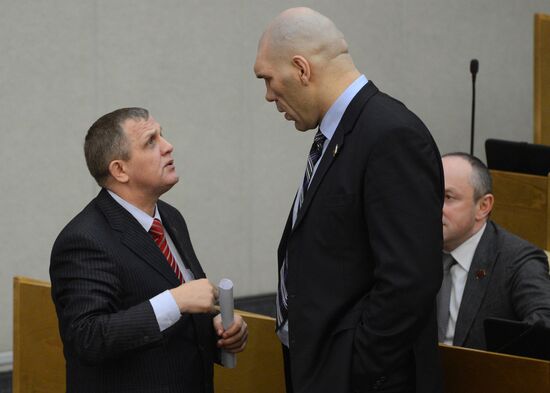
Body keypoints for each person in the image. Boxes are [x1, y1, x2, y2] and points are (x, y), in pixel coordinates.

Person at [254, 7, 444, 393]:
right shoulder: (341, 133)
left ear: (302, 69)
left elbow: (410, 279)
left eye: (269, 79)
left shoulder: (390, 134)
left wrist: (355, 364)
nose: (268, 95)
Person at [50, 108, 247, 393]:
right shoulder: (84, 239)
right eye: (151, 142)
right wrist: (174, 301)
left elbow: (185, 308)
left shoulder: (170, 217)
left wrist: (219, 329)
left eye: (162, 135)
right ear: (120, 170)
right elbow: (87, 338)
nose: (168, 146)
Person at [439, 152, 550, 349]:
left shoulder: (517, 260)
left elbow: (544, 322)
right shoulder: (410, 246)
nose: (434, 206)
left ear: (483, 206)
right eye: (431, 194)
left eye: (448, 197)